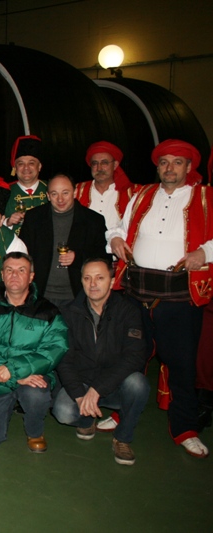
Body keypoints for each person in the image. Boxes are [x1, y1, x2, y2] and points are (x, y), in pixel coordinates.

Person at [108, 139, 213, 458]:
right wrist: (115, 239)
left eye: (177, 162)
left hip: (179, 296)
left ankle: (185, 428)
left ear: (189, 167)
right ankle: (120, 413)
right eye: (164, 162)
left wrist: (205, 253)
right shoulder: (142, 194)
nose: (170, 168)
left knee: (181, 364)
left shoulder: (206, 197)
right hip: (136, 292)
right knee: (131, 358)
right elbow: (119, 227)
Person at [52, 259, 150, 465]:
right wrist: (80, 396)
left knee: (138, 384)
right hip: (82, 380)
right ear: (81, 281)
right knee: (63, 412)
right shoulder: (68, 312)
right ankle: (87, 419)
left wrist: (97, 389)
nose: (93, 284)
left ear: (112, 282)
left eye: (100, 278)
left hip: (115, 383)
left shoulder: (128, 311)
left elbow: (135, 356)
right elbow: (63, 359)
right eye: (87, 278)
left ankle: (123, 438)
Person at [0, 252, 68, 452]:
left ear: (31, 276)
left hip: (32, 376)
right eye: (9, 270)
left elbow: (55, 348)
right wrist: (9, 373)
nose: (14, 275)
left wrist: (14, 370)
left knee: (36, 395)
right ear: (2, 275)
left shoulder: (48, 311)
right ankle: (6, 405)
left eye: (21, 270)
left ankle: (35, 431)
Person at [18, 172, 109, 309]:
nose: (60, 199)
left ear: (75, 192)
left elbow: (103, 257)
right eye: (54, 194)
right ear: (48, 196)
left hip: (78, 297)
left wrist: (77, 257)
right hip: (40, 295)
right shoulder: (34, 217)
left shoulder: (93, 220)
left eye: (65, 193)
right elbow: (22, 255)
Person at [75, 141, 139, 231]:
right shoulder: (77, 191)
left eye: (104, 163)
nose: (99, 168)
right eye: (95, 163)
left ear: (115, 165)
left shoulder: (133, 193)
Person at [4, 135, 48, 234]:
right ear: (15, 168)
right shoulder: (4, 191)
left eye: (31, 163)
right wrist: (8, 222)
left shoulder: (51, 188)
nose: (26, 168)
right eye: (21, 164)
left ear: (39, 166)